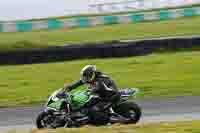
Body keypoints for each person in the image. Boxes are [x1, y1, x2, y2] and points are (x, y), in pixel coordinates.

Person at [61, 65, 128, 124]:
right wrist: (70, 87)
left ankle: (110, 119)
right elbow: (81, 81)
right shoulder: (91, 77)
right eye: (85, 77)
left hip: (111, 97)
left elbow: (101, 88)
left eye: (87, 77)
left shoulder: (102, 79)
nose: (86, 79)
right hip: (101, 96)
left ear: (92, 75)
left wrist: (93, 90)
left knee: (94, 110)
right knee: (86, 104)